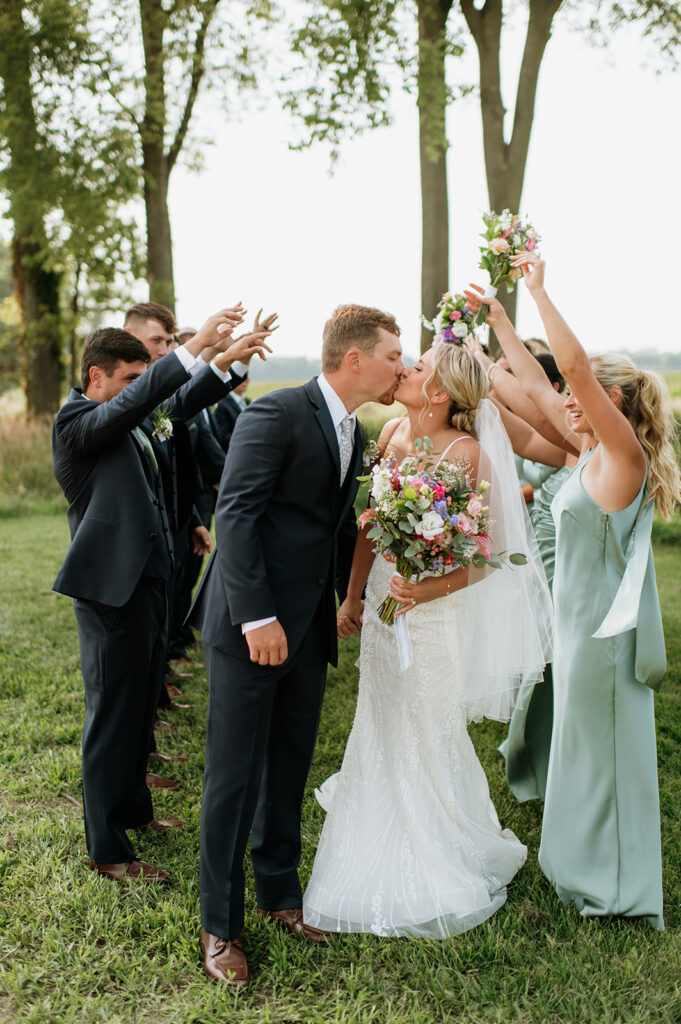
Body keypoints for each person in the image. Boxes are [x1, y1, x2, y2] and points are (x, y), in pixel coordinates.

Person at [302, 339, 553, 939]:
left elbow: (490, 557)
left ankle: (440, 835)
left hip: (434, 613)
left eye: (416, 368)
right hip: (388, 600)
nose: (405, 369)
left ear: (439, 392)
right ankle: (376, 805)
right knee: (381, 710)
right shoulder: (389, 436)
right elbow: (369, 524)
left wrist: (429, 594)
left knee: (428, 718)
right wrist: (355, 592)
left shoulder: (468, 456)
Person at [189, 304, 405, 986]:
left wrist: (351, 598)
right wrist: (257, 618)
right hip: (251, 628)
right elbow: (238, 513)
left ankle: (279, 893)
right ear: (354, 360)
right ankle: (220, 926)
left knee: (288, 766)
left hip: (308, 629)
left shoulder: (353, 428)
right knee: (234, 775)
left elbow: (329, 527)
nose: (401, 367)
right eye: (393, 356)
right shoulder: (275, 413)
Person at [471, 254, 679, 928]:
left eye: (580, 393)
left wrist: (537, 289)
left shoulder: (621, 456)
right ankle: (577, 866)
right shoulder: (585, 453)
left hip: (601, 637)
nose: (564, 396)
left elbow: (574, 373)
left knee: (600, 758)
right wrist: (500, 317)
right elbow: (535, 382)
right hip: (576, 630)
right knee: (579, 753)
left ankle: (613, 885)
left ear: (612, 401)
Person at [52, 313, 268, 883]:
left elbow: (178, 401)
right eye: (127, 380)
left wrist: (229, 360)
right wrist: (194, 345)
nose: (134, 392)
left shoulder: (129, 417)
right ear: (95, 377)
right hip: (110, 593)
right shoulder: (76, 422)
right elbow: (141, 400)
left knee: (143, 702)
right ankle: (108, 848)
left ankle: (137, 814)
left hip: (149, 580)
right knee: (112, 718)